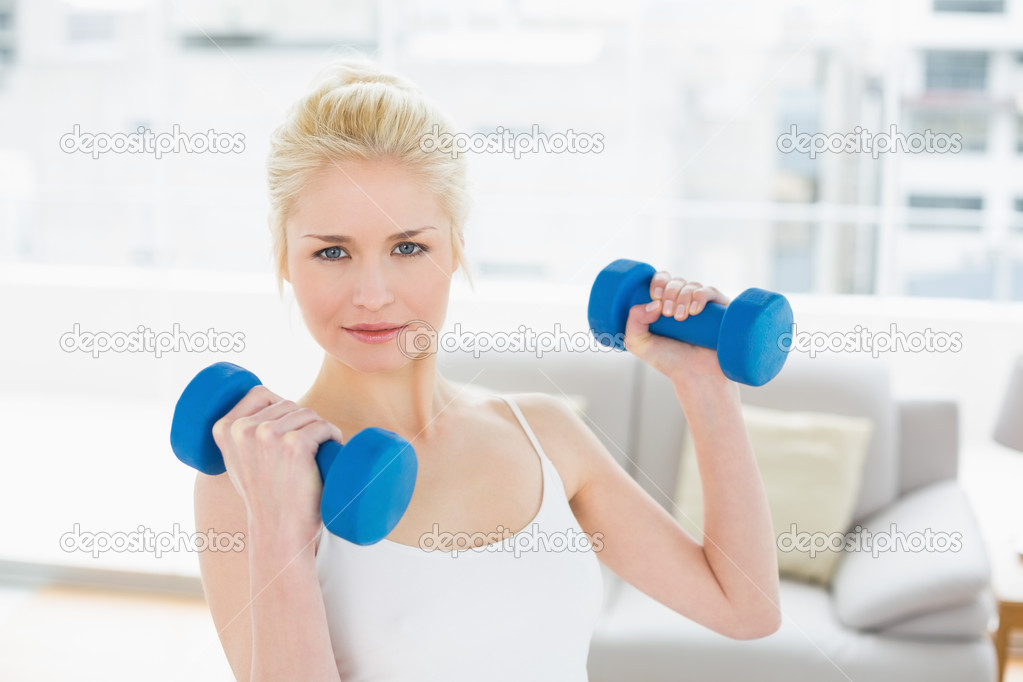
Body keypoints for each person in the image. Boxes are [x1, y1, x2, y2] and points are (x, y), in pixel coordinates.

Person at [194, 56, 781, 682]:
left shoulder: (546, 435)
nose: (371, 292)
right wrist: (284, 529)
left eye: (408, 247)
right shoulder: (253, 472)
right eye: (332, 251)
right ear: (286, 259)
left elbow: (744, 607)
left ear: (456, 249)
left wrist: (706, 388)